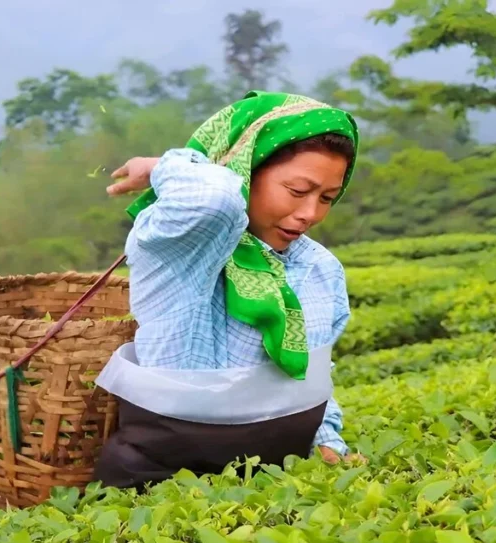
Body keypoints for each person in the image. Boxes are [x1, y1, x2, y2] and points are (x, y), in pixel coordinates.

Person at [90, 91, 363, 490]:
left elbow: (310, 378)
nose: (309, 214)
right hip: (157, 492)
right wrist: (161, 168)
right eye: (297, 191)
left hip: (267, 487)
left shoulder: (319, 269)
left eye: (326, 199)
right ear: (246, 171)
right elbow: (214, 199)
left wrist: (326, 441)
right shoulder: (183, 249)